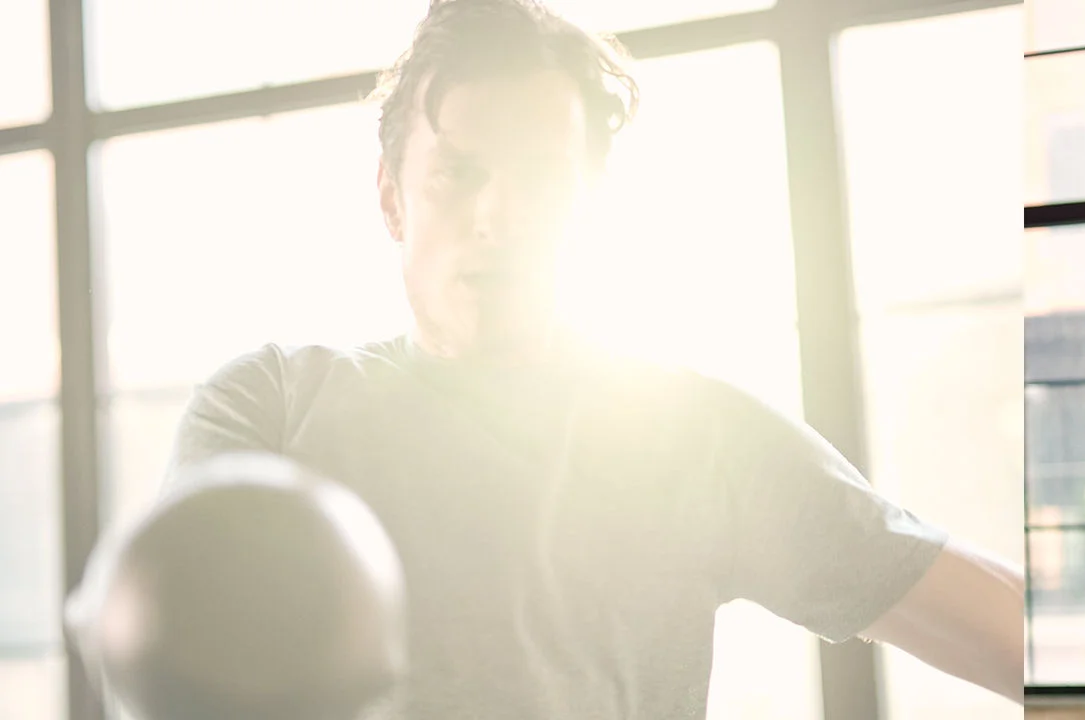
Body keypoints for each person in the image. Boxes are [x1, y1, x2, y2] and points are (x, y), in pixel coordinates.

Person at [135, 0, 1022, 717]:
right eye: (457, 173)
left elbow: (1009, 634)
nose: (498, 216)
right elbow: (183, 662)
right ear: (392, 198)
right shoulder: (273, 404)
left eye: (539, 175)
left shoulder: (694, 435)